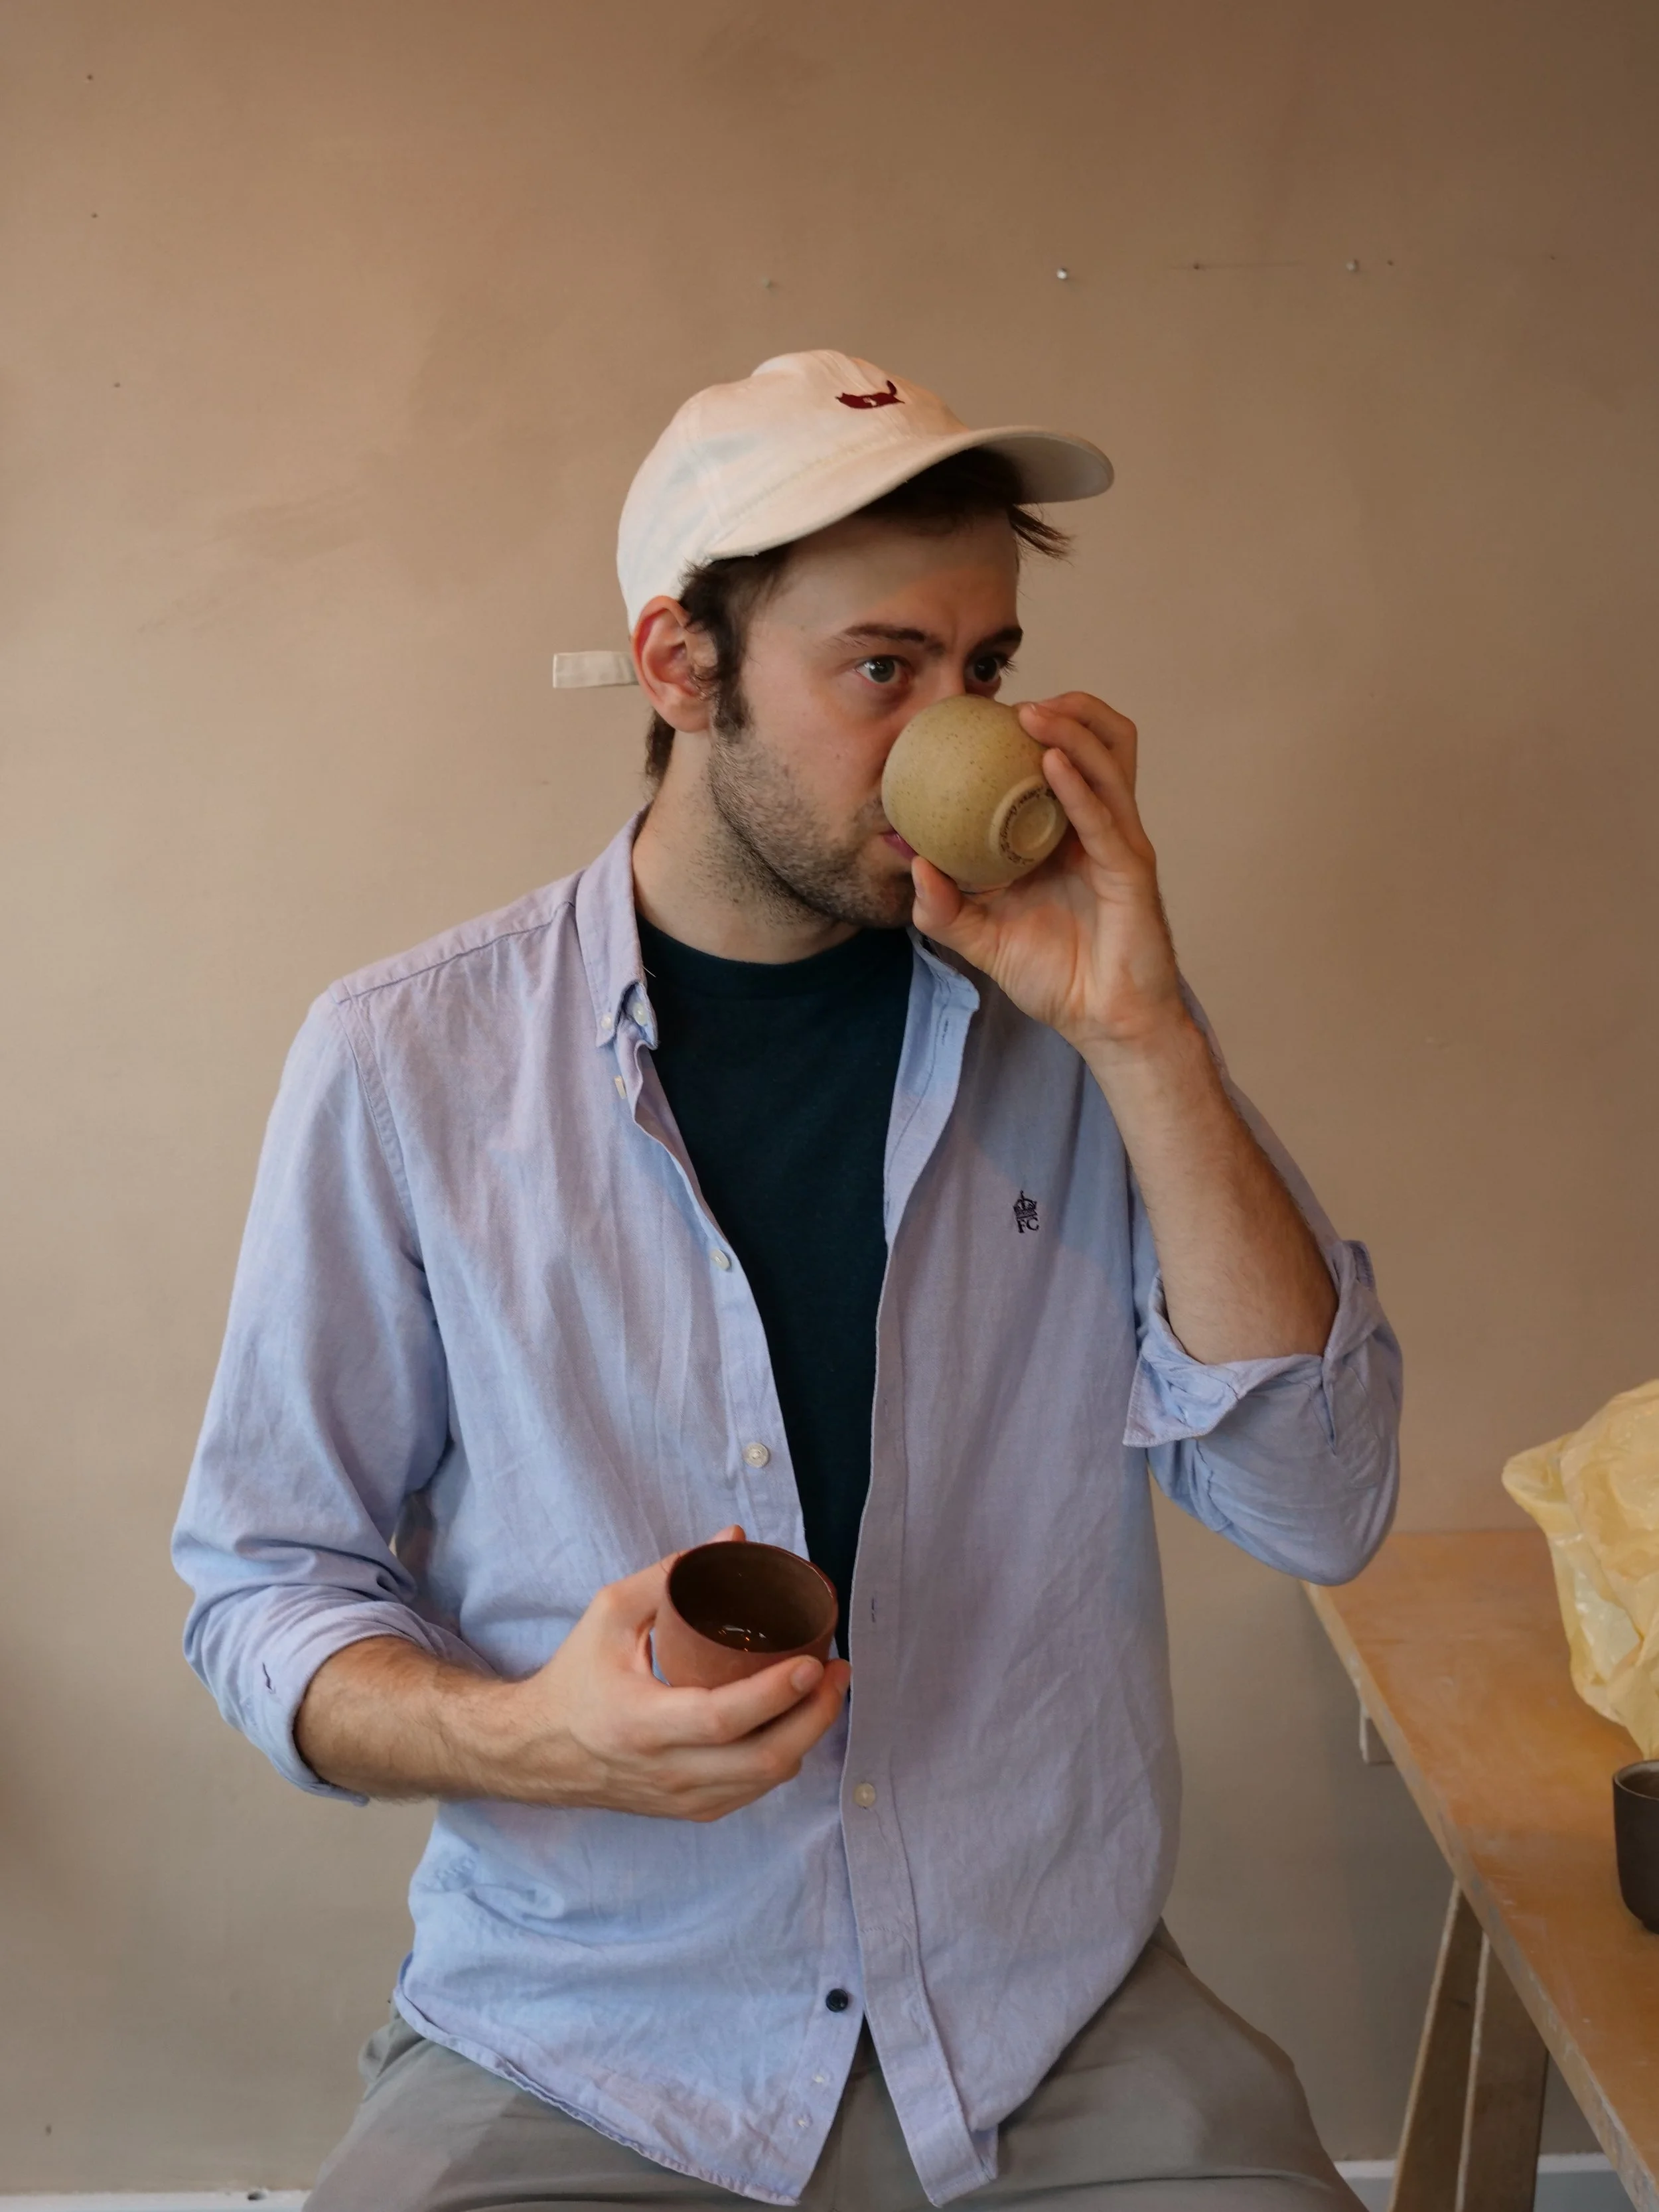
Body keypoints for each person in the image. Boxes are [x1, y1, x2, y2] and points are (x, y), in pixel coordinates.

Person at [173, 350, 1400, 2211]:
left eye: (981, 669)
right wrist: (530, 1737)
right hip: (590, 2039)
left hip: (1040, 2024)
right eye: (882, 670)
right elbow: (266, 1585)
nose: (953, 735)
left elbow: (1320, 1506)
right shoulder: (407, 1064)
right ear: (682, 669)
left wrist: (1143, 1031)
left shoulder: (1079, 1029)